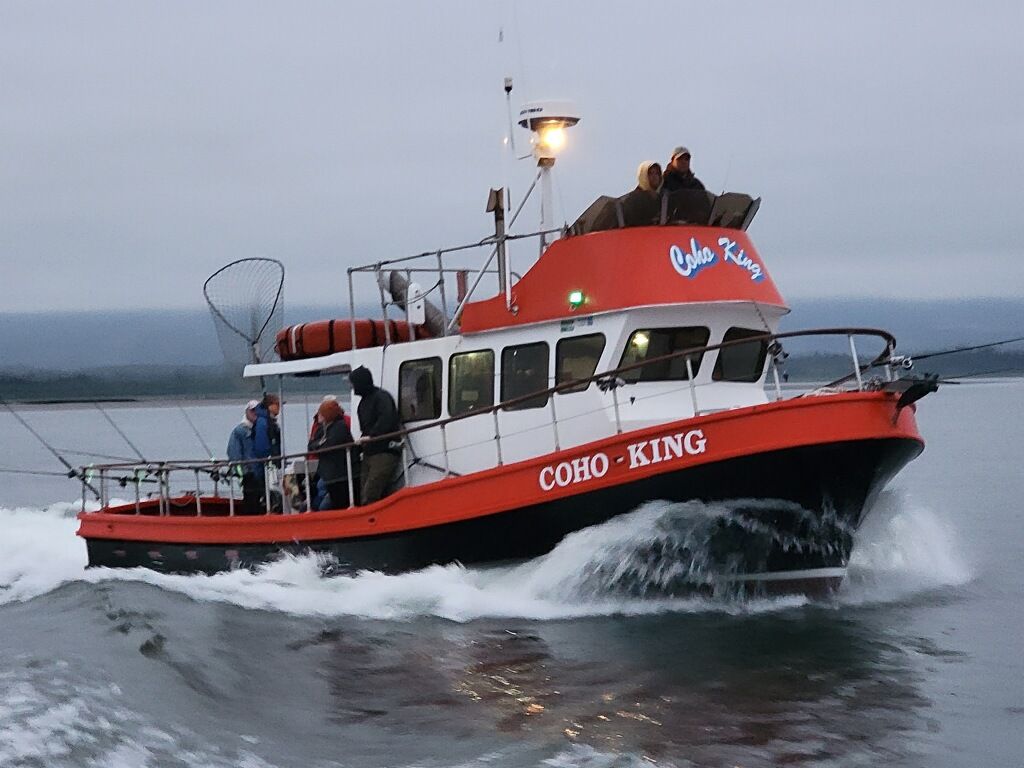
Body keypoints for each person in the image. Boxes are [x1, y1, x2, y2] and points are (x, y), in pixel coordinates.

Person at [349, 365, 402, 505]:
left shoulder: (381, 398)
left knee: (370, 492)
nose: (353, 388)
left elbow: (387, 419)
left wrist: (372, 436)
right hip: (370, 452)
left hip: (385, 451)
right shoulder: (363, 403)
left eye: (354, 384)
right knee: (364, 492)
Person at [309, 398, 360, 509]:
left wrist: (319, 444)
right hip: (330, 475)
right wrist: (319, 444)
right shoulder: (322, 429)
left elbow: (329, 445)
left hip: (341, 475)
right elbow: (311, 445)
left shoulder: (339, 427)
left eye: (321, 413)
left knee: (334, 503)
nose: (319, 415)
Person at [226, 400, 261, 515]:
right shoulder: (239, 431)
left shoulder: (260, 430)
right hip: (249, 475)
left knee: (258, 500)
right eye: (252, 410)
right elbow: (234, 454)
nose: (255, 413)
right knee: (250, 501)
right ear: (246, 412)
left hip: (260, 473)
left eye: (257, 410)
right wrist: (243, 473)